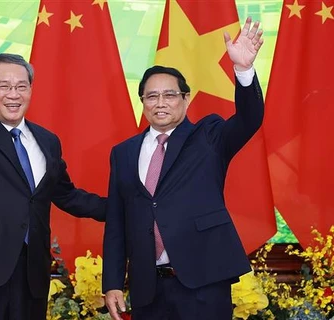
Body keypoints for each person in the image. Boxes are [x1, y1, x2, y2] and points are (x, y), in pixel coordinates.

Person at [0, 33, 105, 320]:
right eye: (4, 86)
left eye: (21, 86)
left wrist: (122, 207)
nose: (14, 94)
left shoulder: (47, 141)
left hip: (31, 273)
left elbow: (67, 195)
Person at [102, 17, 265, 320]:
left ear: (186, 99)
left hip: (203, 282)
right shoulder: (123, 153)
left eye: (169, 94)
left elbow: (249, 119)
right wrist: (112, 282)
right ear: (143, 103)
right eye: (151, 96)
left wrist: (243, 70)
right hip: (147, 289)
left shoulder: (209, 135)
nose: (160, 102)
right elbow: (116, 222)